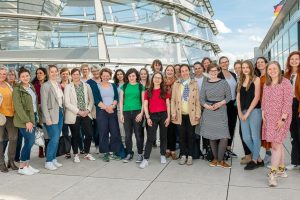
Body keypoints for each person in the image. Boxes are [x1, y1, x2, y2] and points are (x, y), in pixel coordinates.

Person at [261, 61, 293, 187]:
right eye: (270, 69)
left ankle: (273, 174)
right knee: (278, 144)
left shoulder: (285, 82)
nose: (272, 71)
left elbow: (288, 101)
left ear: (279, 70)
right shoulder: (267, 83)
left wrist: (283, 119)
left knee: (275, 145)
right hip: (269, 117)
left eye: (274, 69)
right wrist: (263, 111)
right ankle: (281, 169)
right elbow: (264, 99)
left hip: (281, 118)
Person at [199, 63, 232, 168]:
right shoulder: (205, 83)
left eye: (215, 71)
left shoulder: (223, 83)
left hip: (221, 111)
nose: (213, 73)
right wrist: (207, 106)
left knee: (224, 137)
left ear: (218, 71)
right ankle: (215, 159)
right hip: (209, 112)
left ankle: (221, 160)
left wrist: (220, 103)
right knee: (212, 137)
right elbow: (201, 99)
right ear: (208, 72)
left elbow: (229, 97)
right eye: (211, 71)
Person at [236, 60, 264, 170]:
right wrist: (239, 112)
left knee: (255, 137)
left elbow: (256, 97)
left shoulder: (256, 79)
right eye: (243, 67)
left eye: (247, 67)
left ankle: (254, 160)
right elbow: (238, 98)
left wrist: (247, 113)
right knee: (246, 137)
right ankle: (259, 159)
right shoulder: (240, 80)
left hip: (254, 111)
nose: (245, 69)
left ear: (251, 68)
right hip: (242, 112)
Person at [171, 64, 200, 165]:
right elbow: (173, 100)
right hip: (180, 114)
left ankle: (190, 155)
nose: (184, 73)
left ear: (189, 71)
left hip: (191, 115)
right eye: (182, 71)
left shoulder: (194, 84)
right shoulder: (177, 84)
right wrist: (173, 113)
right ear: (180, 72)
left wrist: (198, 114)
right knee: (182, 136)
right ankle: (183, 155)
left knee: (191, 136)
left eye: (186, 70)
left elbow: (197, 101)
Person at [64, 68, 95, 163]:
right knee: (75, 135)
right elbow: (67, 103)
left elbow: (91, 99)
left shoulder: (86, 86)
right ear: (71, 76)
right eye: (74, 74)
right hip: (75, 115)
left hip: (86, 114)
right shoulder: (68, 87)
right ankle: (76, 154)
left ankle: (87, 153)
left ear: (80, 75)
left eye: (77, 74)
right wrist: (78, 111)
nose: (76, 76)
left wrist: (88, 110)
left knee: (89, 134)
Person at [12, 68, 40, 175]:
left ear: (29, 76)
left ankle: (27, 165)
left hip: (33, 118)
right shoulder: (17, 90)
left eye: (27, 76)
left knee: (29, 142)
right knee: (30, 141)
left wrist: (35, 119)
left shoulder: (31, 87)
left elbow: (34, 104)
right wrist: (27, 121)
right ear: (19, 78)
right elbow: (18, 107)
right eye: (23, 76)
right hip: (23, 120)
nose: (25, 78)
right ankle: (22, 167)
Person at [140, 72, 170, 168]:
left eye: (159, 78)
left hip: (163, 115)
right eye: (155, 78)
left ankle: (162, 155)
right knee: (150, 138)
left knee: (163, 136)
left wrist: (169, 117)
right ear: (152, 79)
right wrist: (148, 117)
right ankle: (145, 159)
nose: (157, 79)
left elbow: (168, 105)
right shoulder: (148, 91)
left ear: (162, 80)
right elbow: (145, 105)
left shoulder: (165, 90)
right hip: (152, 116)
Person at [41, 65, 64, 170]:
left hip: (60, 113)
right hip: (51, 115)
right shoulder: (45, 86)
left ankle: (54, 159)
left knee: (57, 138)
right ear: (48, 73)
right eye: (52, 72)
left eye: (56, 72)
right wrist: (48, 118)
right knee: (54, 138)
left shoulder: (58, 84)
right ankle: (48, 161)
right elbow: (44, 104)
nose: (54, 74)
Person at [119, 68, 145, 163]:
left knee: (138, 135)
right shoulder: (124, 86)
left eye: (133, 76)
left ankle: (139, 154)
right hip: (126, 112)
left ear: (136, 76)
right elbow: (121, 102)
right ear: (127, 77)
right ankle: (129, 153)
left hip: (137, 111)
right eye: (129, 76)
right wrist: (121, 114)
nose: (131, 78)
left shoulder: (140, 86)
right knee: (128, 135)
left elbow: (143, 102)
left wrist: (141, 113)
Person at [96, 68, 121, 162]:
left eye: (107, 75)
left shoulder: (113, 85)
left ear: (110, 76)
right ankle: (105, 152)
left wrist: (112, 106)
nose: (105, 77)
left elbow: (116, 97)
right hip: (102, 112)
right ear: (101, 76)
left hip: (112, 111)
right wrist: (106, 108)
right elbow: (96, 99)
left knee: (115, 132)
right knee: (103, 132)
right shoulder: (97, 86)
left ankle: (114, 151)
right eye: (104, 75)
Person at [218, 56, 238, 158]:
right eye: (222, 62)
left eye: (226, 62)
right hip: (224, 104)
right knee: (224, 127)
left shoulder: (233, 75)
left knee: (232, 126)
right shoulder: (218, 76)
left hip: (234, 104)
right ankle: (223, 149)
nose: (224, 64)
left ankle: (229, 148)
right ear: (220, 64)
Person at [284, 51, 300, 170]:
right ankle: (295, 161)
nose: (294, 61)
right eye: (292, 59)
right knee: (294, 135)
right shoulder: (286, 75)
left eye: (297, 59)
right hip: (290, 106)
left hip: (299, 104)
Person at [0, 66, 18, 172]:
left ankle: (11, 161)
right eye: (0, 73)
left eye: (4, 74)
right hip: (1, 117)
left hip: (11, 115)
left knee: (13, 138)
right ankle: (1, 163)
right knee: (0, 140)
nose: (2, 75)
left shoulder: (8, 85)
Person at [255, 57, 272, 165]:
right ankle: (266, 154)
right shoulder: (257, 77)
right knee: (262, 132)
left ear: (266, 63)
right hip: (259, 107)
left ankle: (270, 155)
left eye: (262, 62)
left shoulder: (270, 76)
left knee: (269, 132)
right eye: (258, 62)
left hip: (269, 108)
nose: (260, 64)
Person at [234, 60, 252, 165]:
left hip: (248, 110)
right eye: (235, 68)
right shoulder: (239, 79)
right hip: (239, 109)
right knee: (243, 133)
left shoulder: (249, 79)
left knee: (247, 133)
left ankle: (251, 156)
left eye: (239, 68)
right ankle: (248, 155)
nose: (238, 70)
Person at [32, 67, 49, 158]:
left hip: (47, 110)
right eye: (37, 73)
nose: (38, 75)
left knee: (47, 130)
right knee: (40, 130)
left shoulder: (48, 84)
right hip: (38, 111)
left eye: (41, 73)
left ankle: (47, 148)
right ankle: (41, 149)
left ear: (45, 75)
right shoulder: (34, 85)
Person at [87, 65, 101, 154]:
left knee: (103, 128)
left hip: (104, 107)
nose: (96, 73)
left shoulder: (104, 79)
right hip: (93, 108)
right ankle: (97, 145)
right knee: (96, 128)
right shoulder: (89, 82)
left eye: (97, 71)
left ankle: (103, 144)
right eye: (93, 71)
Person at [164, 65, 177, 160]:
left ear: (174, 72)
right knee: (165, 130)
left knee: (172, 129)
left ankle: (172, 150)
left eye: (171, 70)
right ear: (165, 71)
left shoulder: (177, 82)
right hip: (163, 108)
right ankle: (167, 149)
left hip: (174, 108)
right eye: (168, 70)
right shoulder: (161, 82)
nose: (169, 71)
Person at [59, 68, 71, 158]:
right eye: (63, 74)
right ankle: (67, 151)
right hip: (63, 111)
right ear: (60, 75)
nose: (65, 75)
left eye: (66, 74)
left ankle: (79, 148)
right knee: (65, 132)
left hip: (73, 111)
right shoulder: (58, 86)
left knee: (76, 132)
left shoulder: (72, 85)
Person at [112, 69, 126, 140]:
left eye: (121, 74)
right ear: (116, 76)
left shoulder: (128, 84)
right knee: (121, 127)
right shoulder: (114, 86)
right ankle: (123, 144)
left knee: (127, 128)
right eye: (118, 74)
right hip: (118, 108)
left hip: (127, 108)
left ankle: (128, 145)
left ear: (124, 75)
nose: (120, 76)